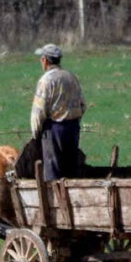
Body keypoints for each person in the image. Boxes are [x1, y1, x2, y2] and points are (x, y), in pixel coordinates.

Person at [30, 43, 87, 181]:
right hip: (73, 128)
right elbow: (83, 105)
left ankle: (55, 201)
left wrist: (36, 134)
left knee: (53, 171)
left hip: (54, 129)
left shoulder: (46, 81)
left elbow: (38, 112)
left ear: (45, 60)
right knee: (70, 169)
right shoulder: (71, 77)